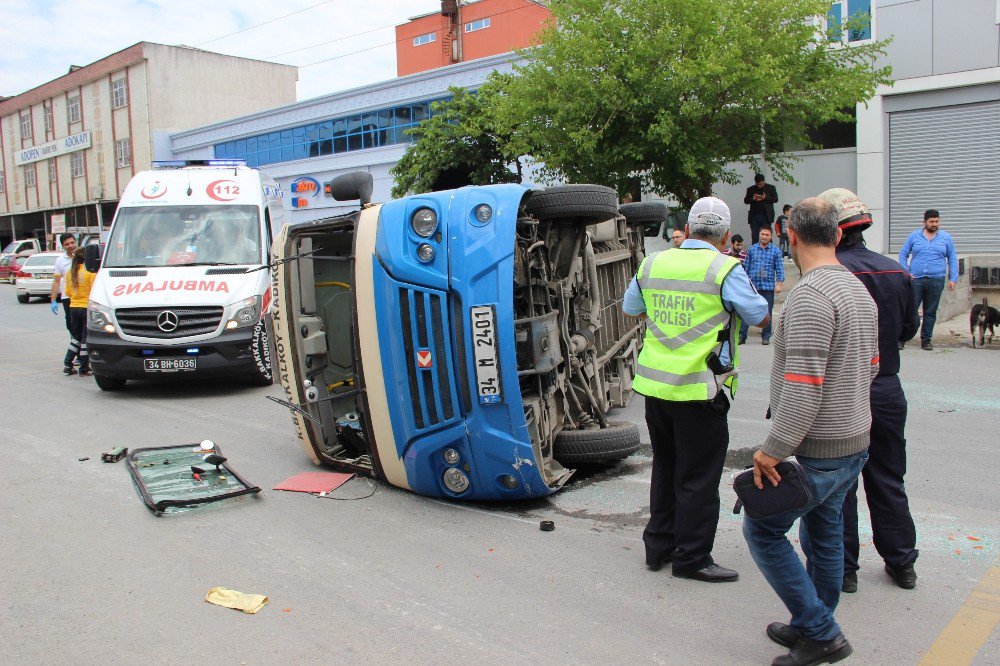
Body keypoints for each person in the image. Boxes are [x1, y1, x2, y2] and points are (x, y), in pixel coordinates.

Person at [742, 197, 879, 666]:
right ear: (838, 235)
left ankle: (821, 632)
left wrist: (771, 451)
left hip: (820, 452)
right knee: (824, 535)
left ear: (790, 236)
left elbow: (803, 391)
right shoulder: (857, 291)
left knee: (762, 531)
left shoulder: (809, 297)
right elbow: (872, 367)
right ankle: (811, 623)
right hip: (854, 443)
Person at [622, 197, 769, 583]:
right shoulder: (725, 268)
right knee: (698, 478)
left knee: (665, 469)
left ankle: (658, 548)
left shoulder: (654, 261)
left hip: (655, 388)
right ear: (724, 235)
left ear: (686, 231)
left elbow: (630, 307)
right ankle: (691, 558)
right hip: (700, 390)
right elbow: (759, 314)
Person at [822, 188, 921, 594]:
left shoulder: (828, 275)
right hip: (885, 389)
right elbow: (907, 331)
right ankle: (902, 564)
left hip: (843, 393)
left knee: (838, 484)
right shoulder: (896, 272)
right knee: (888, 478)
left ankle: (844, 570)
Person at [897, 210, 958, 350]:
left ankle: (926, 340)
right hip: (916, 280)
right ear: (924, 222)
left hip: (936, 279)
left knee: (930, 311)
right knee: (910, 310)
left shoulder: (945, 238)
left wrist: (953, 278)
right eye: (932, 221)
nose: (935, 224)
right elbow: (903, 254)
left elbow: (952, 258)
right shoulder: (914, 236)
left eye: (937, 221)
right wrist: (905, 272)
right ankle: (902, 338)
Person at [740, 227, 784, 345]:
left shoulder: (775, 251)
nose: (764, 236)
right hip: (752, 286)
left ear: (771, 236)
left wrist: (779, 284)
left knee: (767, 312)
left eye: (767, 234)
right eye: (762, 234)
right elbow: (746, 268)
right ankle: (742, 335)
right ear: (759, 235)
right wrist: (744, 283)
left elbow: (779, 269)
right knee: (747, 310)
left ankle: (766, 336)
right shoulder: (752, 249)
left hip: (768, 287)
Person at [62, 247, 97, 377]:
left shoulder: (69, 273)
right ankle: (84, 368)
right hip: (86, 307)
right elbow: (95, 291)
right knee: (85, 339)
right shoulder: (90, 272)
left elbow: (67, 292)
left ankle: (68, 363)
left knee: (76, 338)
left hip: (73, 307)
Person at [49, 233, 77, 336]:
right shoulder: (60, 261)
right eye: (67, 244)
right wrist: (53, 300)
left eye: (72, 243)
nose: (70, 246)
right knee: (70, 324)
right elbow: (56, 281)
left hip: (83, 296)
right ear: (63, 246)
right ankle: (75, 344)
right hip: (67, 297)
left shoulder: (83, 256)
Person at [744, 173, 779, 244]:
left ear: (763, 181)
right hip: (754, 216)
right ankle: (755, 251)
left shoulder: (770, 188)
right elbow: (746, 201)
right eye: (757, 184)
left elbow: (775, 199)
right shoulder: (751, 189)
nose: (759, 186)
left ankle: (769, 251)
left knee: (766, 234)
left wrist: (765, 197)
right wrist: (753, 198)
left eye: (761, 184)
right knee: (755, 235)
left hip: (766, 215)